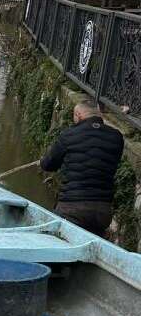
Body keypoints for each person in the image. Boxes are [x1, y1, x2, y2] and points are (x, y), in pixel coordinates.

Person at [40, 100, 124, 236]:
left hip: (72, 208)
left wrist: (43, 160)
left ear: (78, 114)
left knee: (56, 239)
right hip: (103, 211)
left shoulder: (68, 135)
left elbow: (49, 165)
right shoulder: (116, 137)